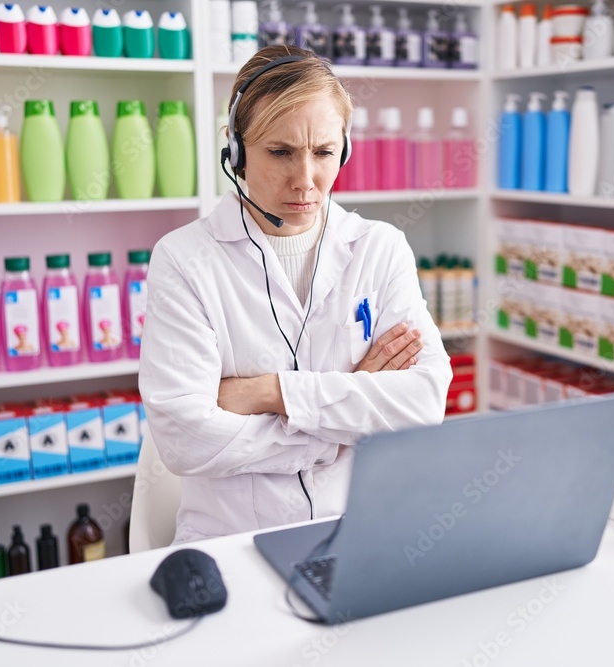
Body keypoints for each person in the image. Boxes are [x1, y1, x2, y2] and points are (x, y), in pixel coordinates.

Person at [139, 46, 453, 543]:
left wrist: (273, 393)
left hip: (359, 534)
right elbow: (184, 439)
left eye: (324, 153)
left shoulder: (380, 248)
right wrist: (339, 425)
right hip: (230, 544)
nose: (305, 180)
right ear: (236, 151)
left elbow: (423, 403)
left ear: (344, 149)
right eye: (280, 152)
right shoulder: (184, 260)